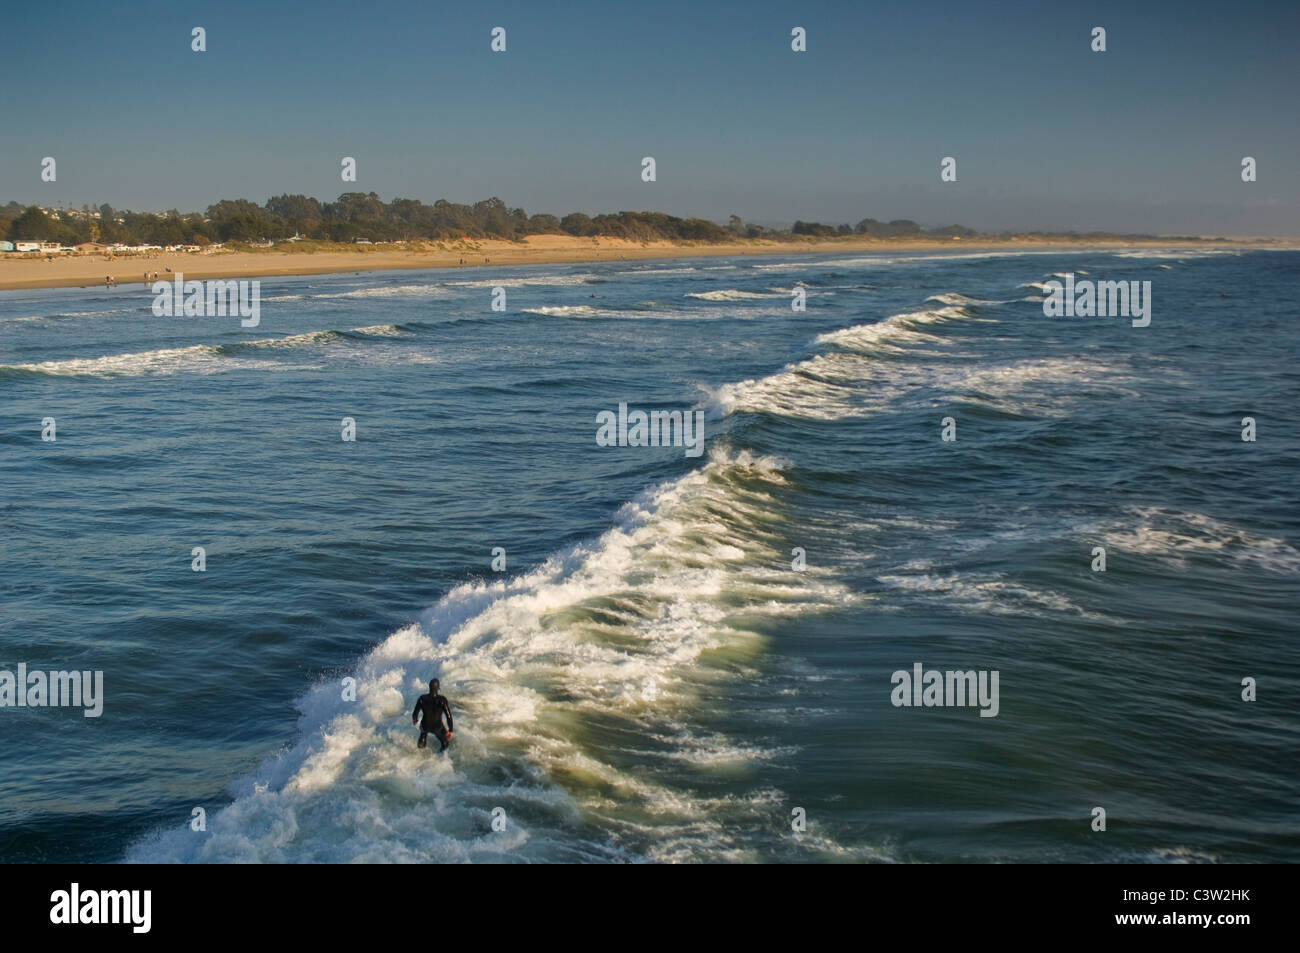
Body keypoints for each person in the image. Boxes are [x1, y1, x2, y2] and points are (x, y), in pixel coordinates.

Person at [412, 678, 453, 751]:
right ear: (438, 688)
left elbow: (415, 713)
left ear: (429, 687)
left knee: (423, 733)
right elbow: (448, 716)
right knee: (445, 743)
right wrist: (450, 730)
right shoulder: (442, 700)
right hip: (437, 727)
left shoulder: (422, 699)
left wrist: (415, 719)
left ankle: (421, 746)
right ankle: (439, 757)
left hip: (425, 726)